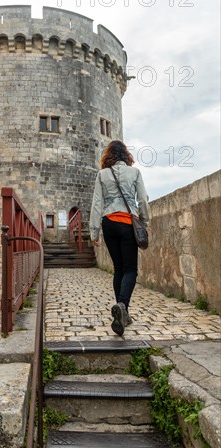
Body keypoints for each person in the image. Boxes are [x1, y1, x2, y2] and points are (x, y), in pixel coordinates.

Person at [89, 140, 149, 336]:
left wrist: (94, 231)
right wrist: (145, 222)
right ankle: (122, 306)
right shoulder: (135, 172)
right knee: (130, 269)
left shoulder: (102, 174)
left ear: (108, 156)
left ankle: (122, 314)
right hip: (127, 223)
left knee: (118, 269)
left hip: (108, 223)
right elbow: (142, 199)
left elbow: (97, 203)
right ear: (126, 155)